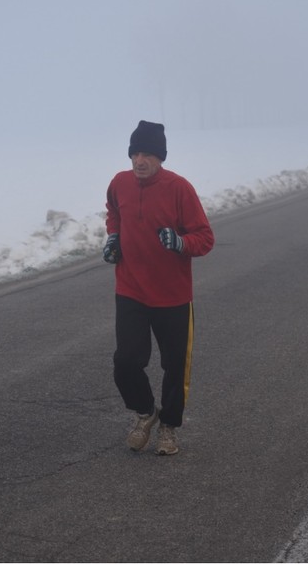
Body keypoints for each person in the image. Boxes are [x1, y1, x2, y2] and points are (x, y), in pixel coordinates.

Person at [103, 120, 214, 455]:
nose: (140, 160)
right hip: (131, 290)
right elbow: (113, 212)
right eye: (135, 153)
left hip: (172, 296)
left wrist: (180, 242)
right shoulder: (119, 183)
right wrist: (113, 237)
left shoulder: (179, 188)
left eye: (148, 154)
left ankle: (169, 427)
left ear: (161, 157)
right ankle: (145, 412)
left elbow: (205, 238)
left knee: (174, 366)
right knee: (126, 362)